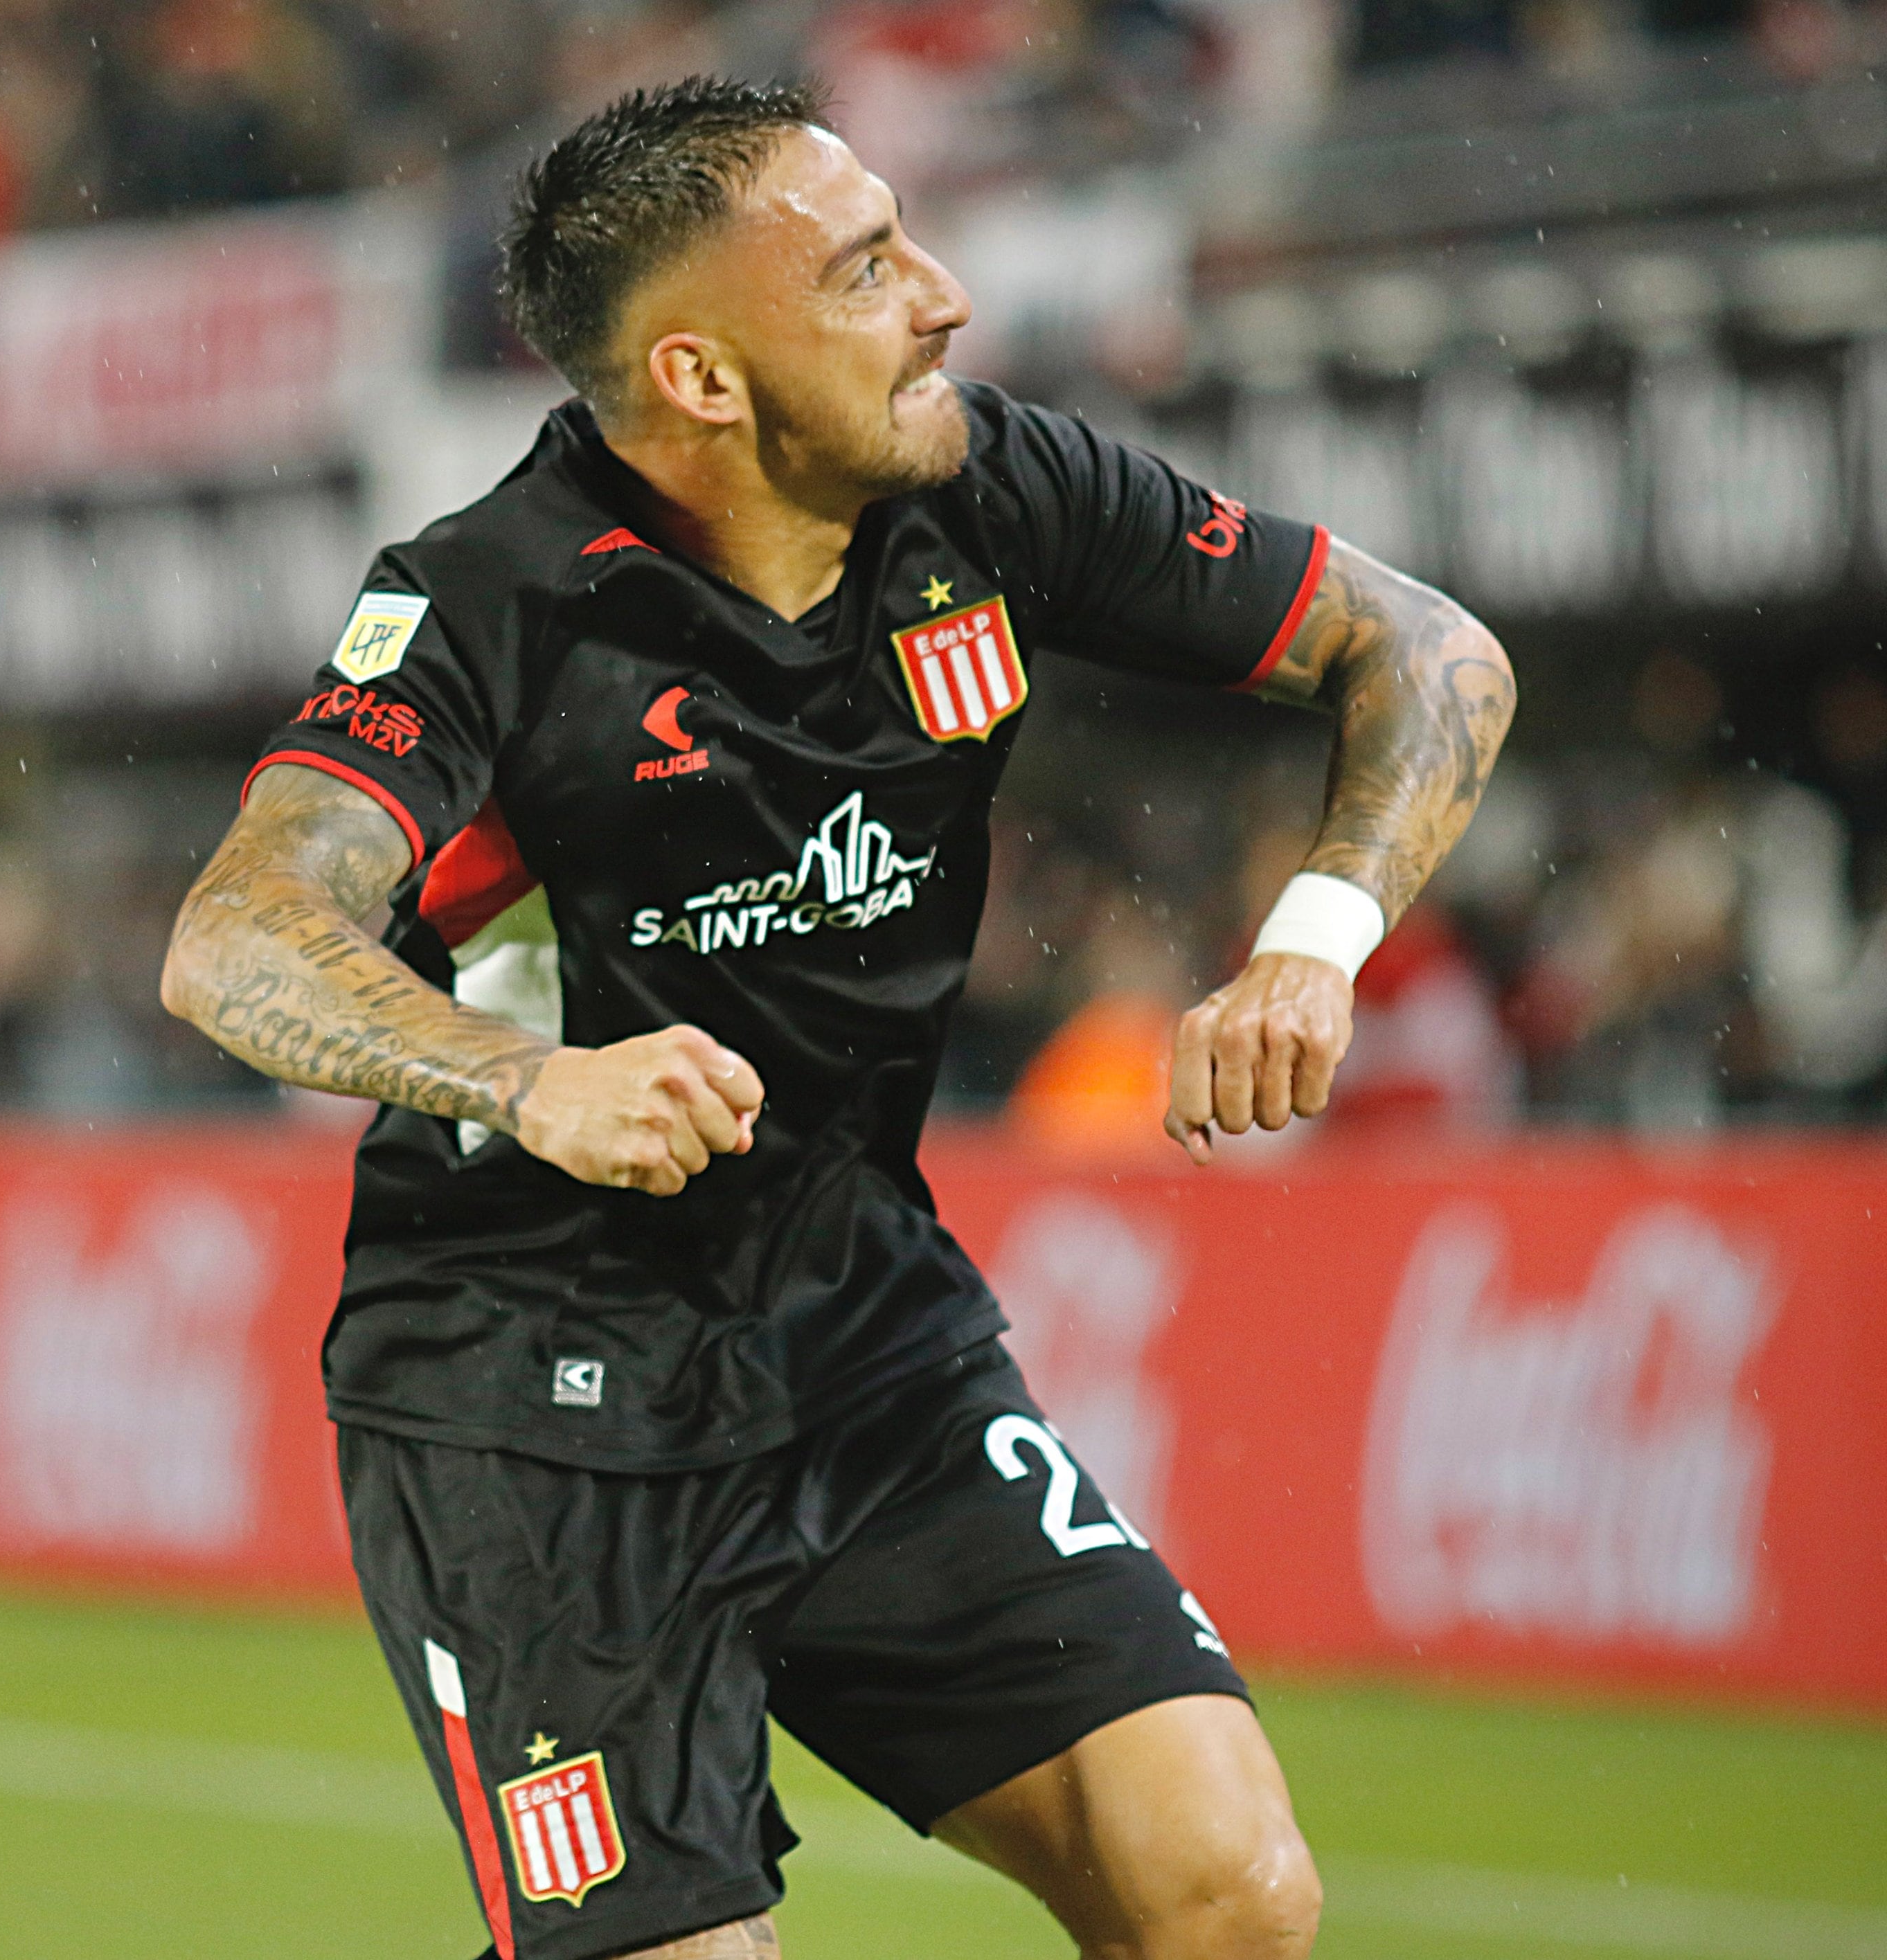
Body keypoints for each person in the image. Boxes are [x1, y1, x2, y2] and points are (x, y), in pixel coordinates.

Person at [161, 77, 1514, 1960]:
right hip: (530, 1405)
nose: (944, 296)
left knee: (1226, 1891)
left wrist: (1313, 937)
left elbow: (1429, 650)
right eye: (870, 267)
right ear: (706, 378)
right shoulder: (487, 610)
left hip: (863, 1339)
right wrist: (532, 1082)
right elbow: (232, 940)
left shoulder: (989, 489)